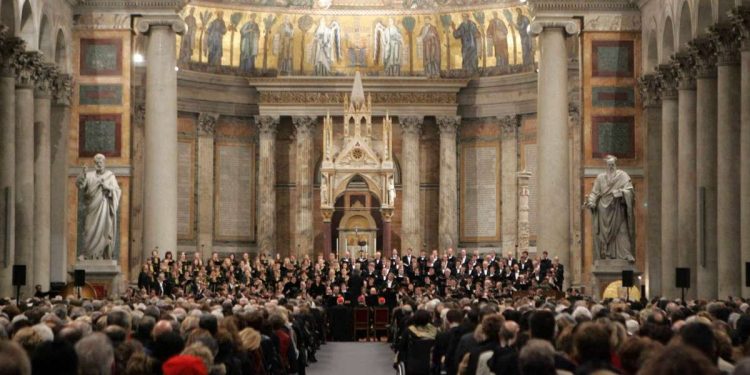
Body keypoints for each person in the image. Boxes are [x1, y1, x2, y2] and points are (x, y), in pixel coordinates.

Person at [585, 155, 636, 262]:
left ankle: (626, 254)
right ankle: (607, 254)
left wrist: (621, 193)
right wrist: (591, 202)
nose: (611, 167)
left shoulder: (623, 176)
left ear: (615, 164)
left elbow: (630, 191)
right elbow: (594, 193)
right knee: (605, 236)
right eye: (609, 165)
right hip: (603, 210)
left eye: (613, 164)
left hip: (618, 209)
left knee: (622, 230)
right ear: (606, 166)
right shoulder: (600, 178)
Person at [76, 154, 121, 260]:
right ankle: (88, 254)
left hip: (104, 208)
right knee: (88, 229)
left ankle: (100, 255)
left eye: (101, 162)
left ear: (104, 163)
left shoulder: (110, 176)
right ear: (94, 164)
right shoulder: (90, 175)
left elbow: (117, 191)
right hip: (91, 208)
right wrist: (83, 173)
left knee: (103, 231)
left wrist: (107, 187)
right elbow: (80, 185)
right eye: (97, 162)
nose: (99, 164)